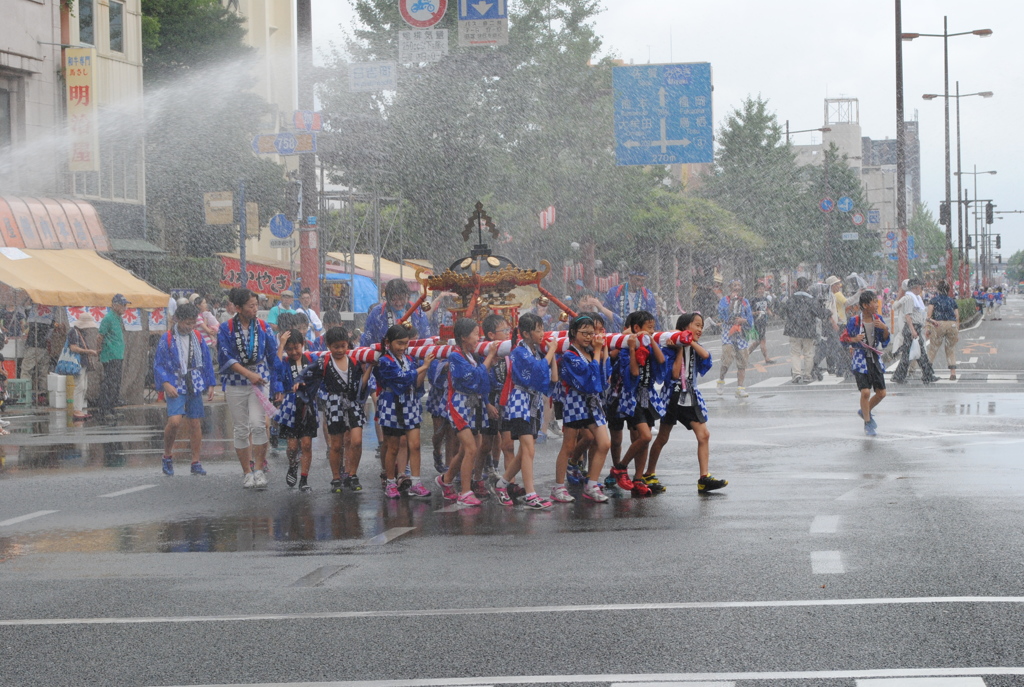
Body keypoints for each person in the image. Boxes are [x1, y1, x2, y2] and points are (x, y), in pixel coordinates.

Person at [645, 312, 727, 493]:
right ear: (684, 326)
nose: (700, 329)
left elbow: (706, 357)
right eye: (696, 325)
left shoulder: (695, 346)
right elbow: (673, 374)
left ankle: (704, 477)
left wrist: (689, 342)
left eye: (701, 326)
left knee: (703, 435)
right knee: (663, 437)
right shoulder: (670, 347)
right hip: (673, 396)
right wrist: (680, 348)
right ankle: (649, 473)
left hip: (690, 396)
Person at [491, 313, 559, 506]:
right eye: (538, 330)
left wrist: (552, 355)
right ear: (526, 333)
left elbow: (552, 379)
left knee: (525, 452)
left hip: (533, 404)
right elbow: (537, 370)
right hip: (520, 403)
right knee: (528, 449)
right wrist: (550, 352)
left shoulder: (536, 352)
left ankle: (501, 484)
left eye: (542, 329)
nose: (542, 333)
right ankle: (531, 494)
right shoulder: (519, 352)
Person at [217, 287, 283, 489]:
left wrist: (278, 385)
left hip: (260, 380)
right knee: (240, 429)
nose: (256, 309)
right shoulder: (226, 328)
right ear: (237, 308)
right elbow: (225, 358)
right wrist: (248, 374)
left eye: (256, 305)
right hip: (236, 382)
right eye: (251, 306)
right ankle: (247, 472)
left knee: (258, 424)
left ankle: (260, 470)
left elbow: (273, 358)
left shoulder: (263, 327)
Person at [297, 327, 373, 493]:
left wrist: (370, 368)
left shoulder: (354, 361)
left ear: (348, 345)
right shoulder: (323, 362)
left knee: (356, 441)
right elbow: (306, 373)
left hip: (353, 403)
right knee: (336, 445)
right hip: (334, 403)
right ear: (328, 346)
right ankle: (336, 478)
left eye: (343, 346)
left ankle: (352, 474)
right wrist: (300, 382)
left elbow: (362, 384)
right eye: (335, 347)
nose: (340, 350)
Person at [549, 314, 611, 504]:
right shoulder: (569, 355)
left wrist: (603, 350)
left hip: (592, 404)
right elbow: (588, 382)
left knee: (603, 443)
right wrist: (599, 351)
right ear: (574, 333)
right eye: (584, 333)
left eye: (591, 333)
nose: (588, 337)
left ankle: (591, 484)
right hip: (575, 403)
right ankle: (558, 487)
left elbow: (604, 377)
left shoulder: (592, 352)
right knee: (568, 446)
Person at [437, 318, 497, 507]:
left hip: (474, 406)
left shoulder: (471, 356)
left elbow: (482, 382)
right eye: (475, 334)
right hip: (459, 406)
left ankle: (446, 480)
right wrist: (489, 359)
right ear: (463, 337)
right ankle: (465, 492)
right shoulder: (455, 356)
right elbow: (473, 378)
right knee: (471, 448)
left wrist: (486, 403)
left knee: (466, 450)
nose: (478, 337)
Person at [153, 303, 216, 477]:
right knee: (174, 421)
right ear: (177, 320)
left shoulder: (197, 336)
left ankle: (196, 461)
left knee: (195, 422)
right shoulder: (166, 338)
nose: (190, 327)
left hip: (194, 381)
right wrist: (165, 383)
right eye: (187, 323)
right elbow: (158, 364)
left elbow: (206, 360)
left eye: (193, 323)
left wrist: (211, 383)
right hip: (175, 381)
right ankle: (167, 454)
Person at [376, 324, 434, 499]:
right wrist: (424, 367)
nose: (402, 347)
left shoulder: (409, 359)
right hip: (391, 405)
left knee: (415, 445)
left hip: (410, 404)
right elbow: (402, 378)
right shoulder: (384, 361)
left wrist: (424, 369)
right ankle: (391, 482)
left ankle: (416, 482)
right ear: (388, 342)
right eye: (399, 343)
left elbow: (415, 384)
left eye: (405, 344)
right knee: (392, 447)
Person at [613, 310, 666, 497]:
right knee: (645, 436)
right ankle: (620, 467)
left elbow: (661, 360)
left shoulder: (650, 345)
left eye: (653, 328)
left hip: (647, 396)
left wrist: (650, 340)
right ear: (636, 328)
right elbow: (633, 373)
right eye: (648, 328)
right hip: (632, 397)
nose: (652, 331)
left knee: (642, 441)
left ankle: (638, 479)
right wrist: (634, 348)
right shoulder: (626, 349)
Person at [274, 329, 320, 491]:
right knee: (293, 446)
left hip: (308, 405)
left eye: (297, 347)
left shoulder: (312, 359)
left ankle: (304, 479)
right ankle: (293, 465)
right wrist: (280, 345)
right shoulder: (285, 362)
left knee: (306, 444)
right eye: (289, 349)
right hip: (290, 406)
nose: (293, 352)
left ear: (303, 345)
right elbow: (276, 369)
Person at [840, 290, 890, 437]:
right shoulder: (854, 321)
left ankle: (864, 411)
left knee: (881, 393)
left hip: (874, 358)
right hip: (860, 358)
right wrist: (854, 339)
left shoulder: (878, 319)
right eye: (874, 302)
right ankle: (868, 423)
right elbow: (844, 339)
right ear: (865, 305)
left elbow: (885, 341)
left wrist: (884, 328)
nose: (876, 304)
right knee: (865, 392)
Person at [891, 278, 938, 385]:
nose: (921, 289)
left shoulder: (915, 298)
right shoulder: (909, 298)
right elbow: (908, 316)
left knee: (913, 354)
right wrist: (913, 330)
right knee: (916, 353)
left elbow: (919, 314)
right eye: (920, 287)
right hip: (911, 328)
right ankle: (927, 375)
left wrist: (931, 321)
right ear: (915, 287)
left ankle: (901, 376)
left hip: (914, 328)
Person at [783, 277, 830, 384]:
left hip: (794, 329)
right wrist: (828, 312)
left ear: (797, 285)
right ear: (807, 286)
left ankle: (796, 374)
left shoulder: (791, 299)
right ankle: (807, 375)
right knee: (808, 353)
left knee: (795, 353)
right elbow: (819, 313)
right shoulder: (811, 300)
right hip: (808, 329)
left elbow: (785, 311)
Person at [360, 279, 430, 346]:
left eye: (401, 298)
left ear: (407, 296)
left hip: (413, 355)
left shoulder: (418, 312)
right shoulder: (376, 313)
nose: (398, 303)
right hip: (385, 356)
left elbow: (426, 338)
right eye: (393, 299)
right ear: (387, 298)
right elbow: (368, 341)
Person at [716, 280, 754, 397]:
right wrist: (732, 303)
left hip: (741, 334)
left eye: (738, 286)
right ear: (730, 288)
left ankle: (740, 388)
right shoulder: (724, 301)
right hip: (729, 332)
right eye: (734, 286)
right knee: (727, 358)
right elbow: (722, 316)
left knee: (742, 360)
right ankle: (721, 380)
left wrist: (744, 321)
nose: (736, 288)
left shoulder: (745, 302)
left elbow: (750, 319)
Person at [96, 294, 129, 419]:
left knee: (115, 382)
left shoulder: (117, 318)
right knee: (109, 382)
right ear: (115, 305)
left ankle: (112, 407)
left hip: (117, 354)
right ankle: (105, 409)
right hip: (110, 355)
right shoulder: (108, 318)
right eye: (123, 305)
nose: (125, 308)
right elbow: (99, 336)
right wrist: (99, 350)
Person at [66, 313, 99, 420]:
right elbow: (73, 348)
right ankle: (77, 410)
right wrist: (88, 351)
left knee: (83, 386)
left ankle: (79, 409)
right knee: (79, 386)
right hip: (78, 362)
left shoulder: (80, 332)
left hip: (82, 362)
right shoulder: (73, 332)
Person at [927, 280, 960, 381]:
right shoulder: (952, 301)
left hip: (938, 324)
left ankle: (927, 371)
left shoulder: (934, 300)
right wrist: (957, 330)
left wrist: (928, 328)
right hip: (952, 324)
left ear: (938, 289)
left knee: (933, 349)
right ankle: (953, 373)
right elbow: (957, 316)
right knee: (950, 350)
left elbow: (928, 315)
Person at [22, 301, 54, 404]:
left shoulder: (32, 309)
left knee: (26, 369)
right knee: (43, 372)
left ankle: (25, 394)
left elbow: (25, 306)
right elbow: (53, 328)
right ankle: (42, 395)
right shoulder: (53, 310)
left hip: (33, 344)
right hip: (45, 345)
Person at [750, 283, 774, 364]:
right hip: (756, 322)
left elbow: (768, 308)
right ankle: (766, 358)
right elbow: (749, 313)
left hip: (763, 322)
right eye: (760, 289)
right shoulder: (753, 300)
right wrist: (757, 312)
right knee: (761, 340)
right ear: (756, 290)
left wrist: (770, 313)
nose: (761, 290)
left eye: (763, 289)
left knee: (758, 341)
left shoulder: (765, 299)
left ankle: (744, 355)